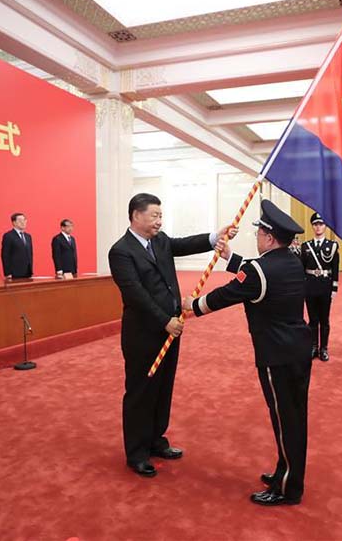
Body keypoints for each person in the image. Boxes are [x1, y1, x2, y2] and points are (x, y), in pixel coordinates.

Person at [183, 200, 311, 506]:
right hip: (297, 350)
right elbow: (256, 274)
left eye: (259, 234)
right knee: (292, 415)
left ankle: (288, 488)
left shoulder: (260, 270)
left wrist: (194, 305)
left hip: (275, 354)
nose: (257, 238)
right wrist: (231, 258)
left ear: (268, 237)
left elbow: (231, 292)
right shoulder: (291, 260)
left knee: (285, 419)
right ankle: (285, 471)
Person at [108, 193, 235, 478]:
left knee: (163, 387)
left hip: (171, 328)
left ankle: (156, 440)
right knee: (141, 391)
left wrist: (216, 236)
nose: (159, 221)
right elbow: (135, 294)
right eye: (154, 215)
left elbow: (183, 244)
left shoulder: (160, 240)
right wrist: (164, 320)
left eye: (160, 216)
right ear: (136, 215)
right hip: (144, 334)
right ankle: (137, 452)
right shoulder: (121, 251)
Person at [300, 213, 339, 362]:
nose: (318, 227)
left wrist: (334, 288)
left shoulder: (332, 246)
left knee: (324, 319)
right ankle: (313, 347)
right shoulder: (306, 246)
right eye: (315, 224)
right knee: (312, 319)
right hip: (310, 285)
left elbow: (335, 269)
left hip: (325, 286)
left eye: (321, 224)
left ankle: (324, 348)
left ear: (325, 226)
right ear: (312, 226)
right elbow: (302, 269)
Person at [1, 212, 33, 280]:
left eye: (24, 220)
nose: (23, 222)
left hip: (27, 272)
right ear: (14, 223)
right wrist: (7, 273)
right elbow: (5, 255)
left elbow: (30, 254)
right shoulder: (8, 236)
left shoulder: (28, 236)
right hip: (14, 273)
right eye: (20, 220)